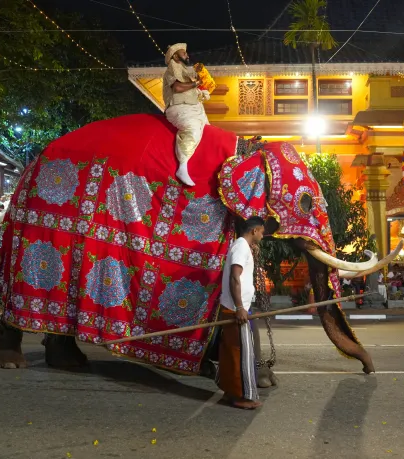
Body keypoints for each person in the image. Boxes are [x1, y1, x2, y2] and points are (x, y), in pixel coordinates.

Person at [216, 216, 264, 410]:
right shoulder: (241, 247)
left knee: (230, 352)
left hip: (234, 307)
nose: (262, 235)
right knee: (241, 353)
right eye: (261, 231)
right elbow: (235, 278)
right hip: (236, 308)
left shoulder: (242, 247)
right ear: (254, 231)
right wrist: (240, 308)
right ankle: (241, 396)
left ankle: (229, 392)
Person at [162, 43, 210, 187]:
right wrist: (196, 84)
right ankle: (182, 166)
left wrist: (201, 93)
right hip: (179, 108)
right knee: (193, 129)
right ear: (175, 55)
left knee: (209, 132)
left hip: (195, 108)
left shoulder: (185, 71)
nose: (187, 56)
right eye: (184, 53)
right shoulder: (172, 68)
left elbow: (190, 91)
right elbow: (177, 88)